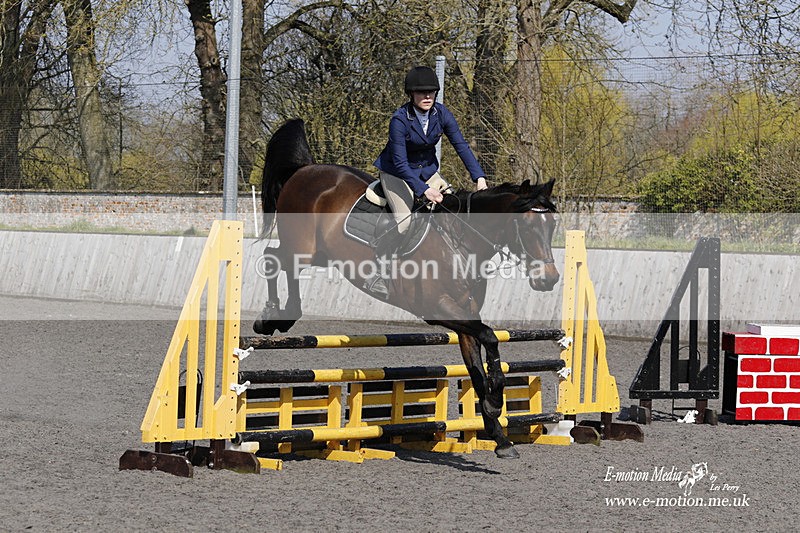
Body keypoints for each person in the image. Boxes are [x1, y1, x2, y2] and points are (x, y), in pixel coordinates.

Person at [365, 65, 488, 299]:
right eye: (422, 93)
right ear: (411, 94)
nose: (427, 96)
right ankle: (378, 271)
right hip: (397, 174)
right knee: (403, 222)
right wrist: (424, 190)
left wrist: (479, 177)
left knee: (455, 212)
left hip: (427, 171)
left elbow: (461, 145)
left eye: (431, 92)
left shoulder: (442, 114)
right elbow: (400, 163)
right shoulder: (400, 120)